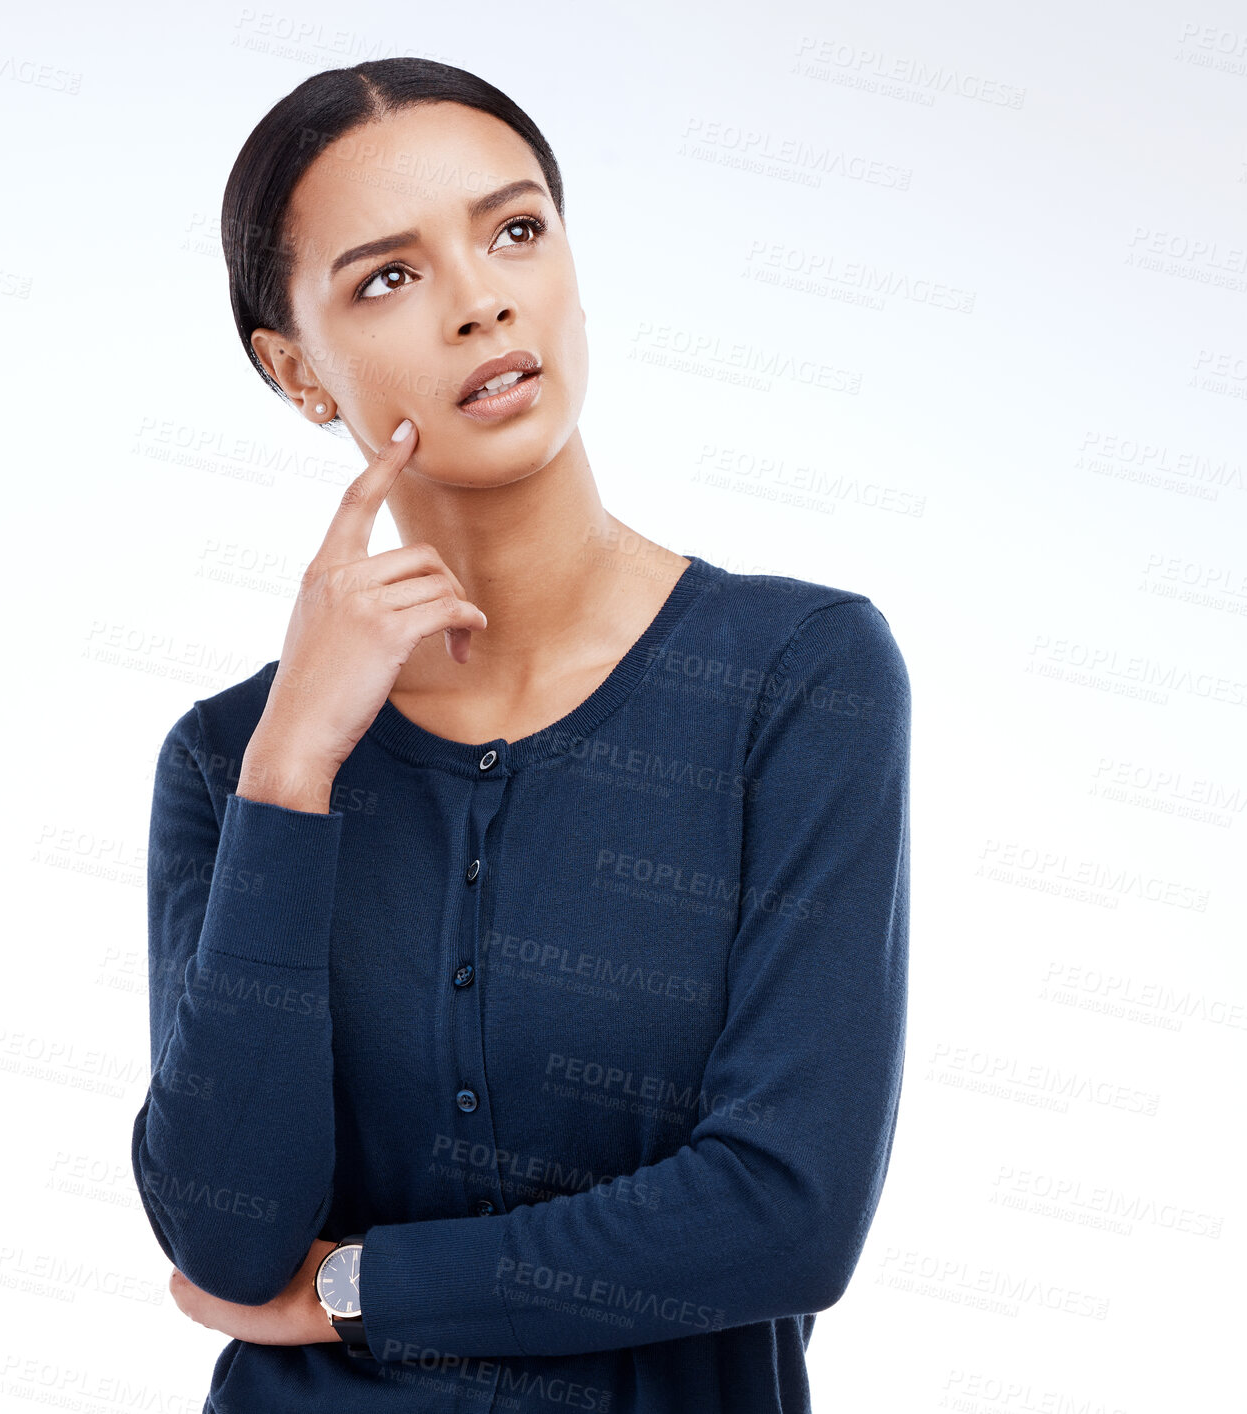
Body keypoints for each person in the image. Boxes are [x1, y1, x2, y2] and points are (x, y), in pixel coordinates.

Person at [130, 57, 912, 1414]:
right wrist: (291, 774)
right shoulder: (229, 761)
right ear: (295, 371)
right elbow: (227, 1238)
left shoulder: (797, 674)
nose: (481, 296)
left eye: (514, 229)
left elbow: (785, 1210)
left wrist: (358, 1288)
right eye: (387, 276)